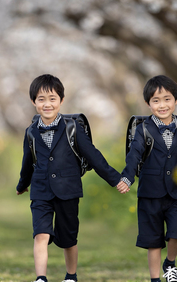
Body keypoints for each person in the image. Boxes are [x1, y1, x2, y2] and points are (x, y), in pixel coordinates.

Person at [16, 74, 122, 282]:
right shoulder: (30, 132)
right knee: (41, 235)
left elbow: (94, 156)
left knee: (68, 239)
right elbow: (28, 162)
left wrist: (116, 179)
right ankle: (41, 278)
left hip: (68, 190)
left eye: (52, 98)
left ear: (61, 101)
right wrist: (22, 184)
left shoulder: (73, 128)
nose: (47, 104)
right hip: (41, 191)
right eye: (41, 99)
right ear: (33, 102)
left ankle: (71, 276)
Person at [117, 75, 177, 282]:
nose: (162, 105)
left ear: (176, 100)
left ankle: (170, 264)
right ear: (148, 104)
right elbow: (134, 156)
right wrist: (127, 178)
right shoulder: (143, 129)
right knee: (153, 240)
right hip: (150, 193)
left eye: (167, 99)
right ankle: (155, 279)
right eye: (156, 100)